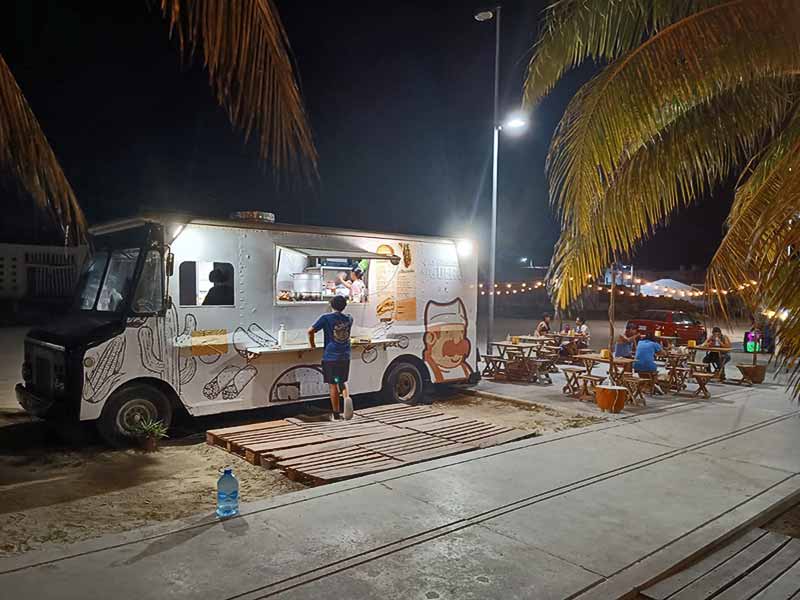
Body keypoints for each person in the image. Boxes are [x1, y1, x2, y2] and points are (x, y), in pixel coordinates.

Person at [309, 295, 353, 420]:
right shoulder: (349, 319)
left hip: (331, 357)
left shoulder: (326, 318)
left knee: (333, 384)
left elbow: (310, 331)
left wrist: (312, 345)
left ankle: (336, 414)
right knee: (342, 382)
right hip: (345, 355)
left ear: (331, 305)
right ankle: (347, 401)